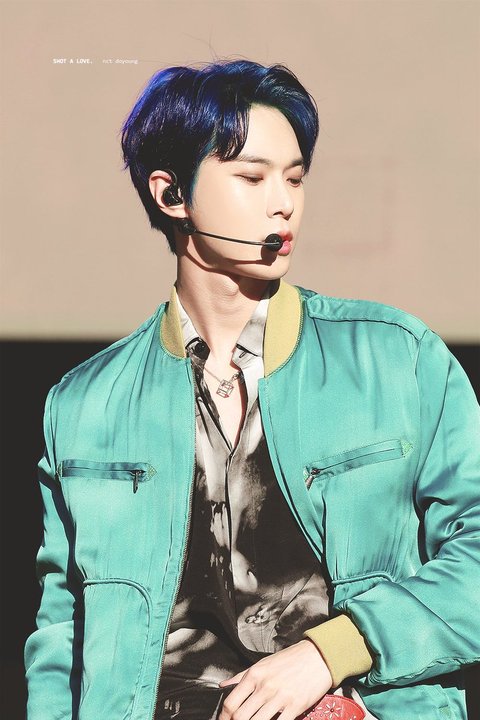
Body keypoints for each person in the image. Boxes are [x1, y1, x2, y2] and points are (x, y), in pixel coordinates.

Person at [24, 59, 479, 720]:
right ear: (171, 195)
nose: (283, 202)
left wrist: (332, 651)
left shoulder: (395, 360)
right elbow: (63, 632)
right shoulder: (85, 406)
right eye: (251, 176)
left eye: (295, 177)